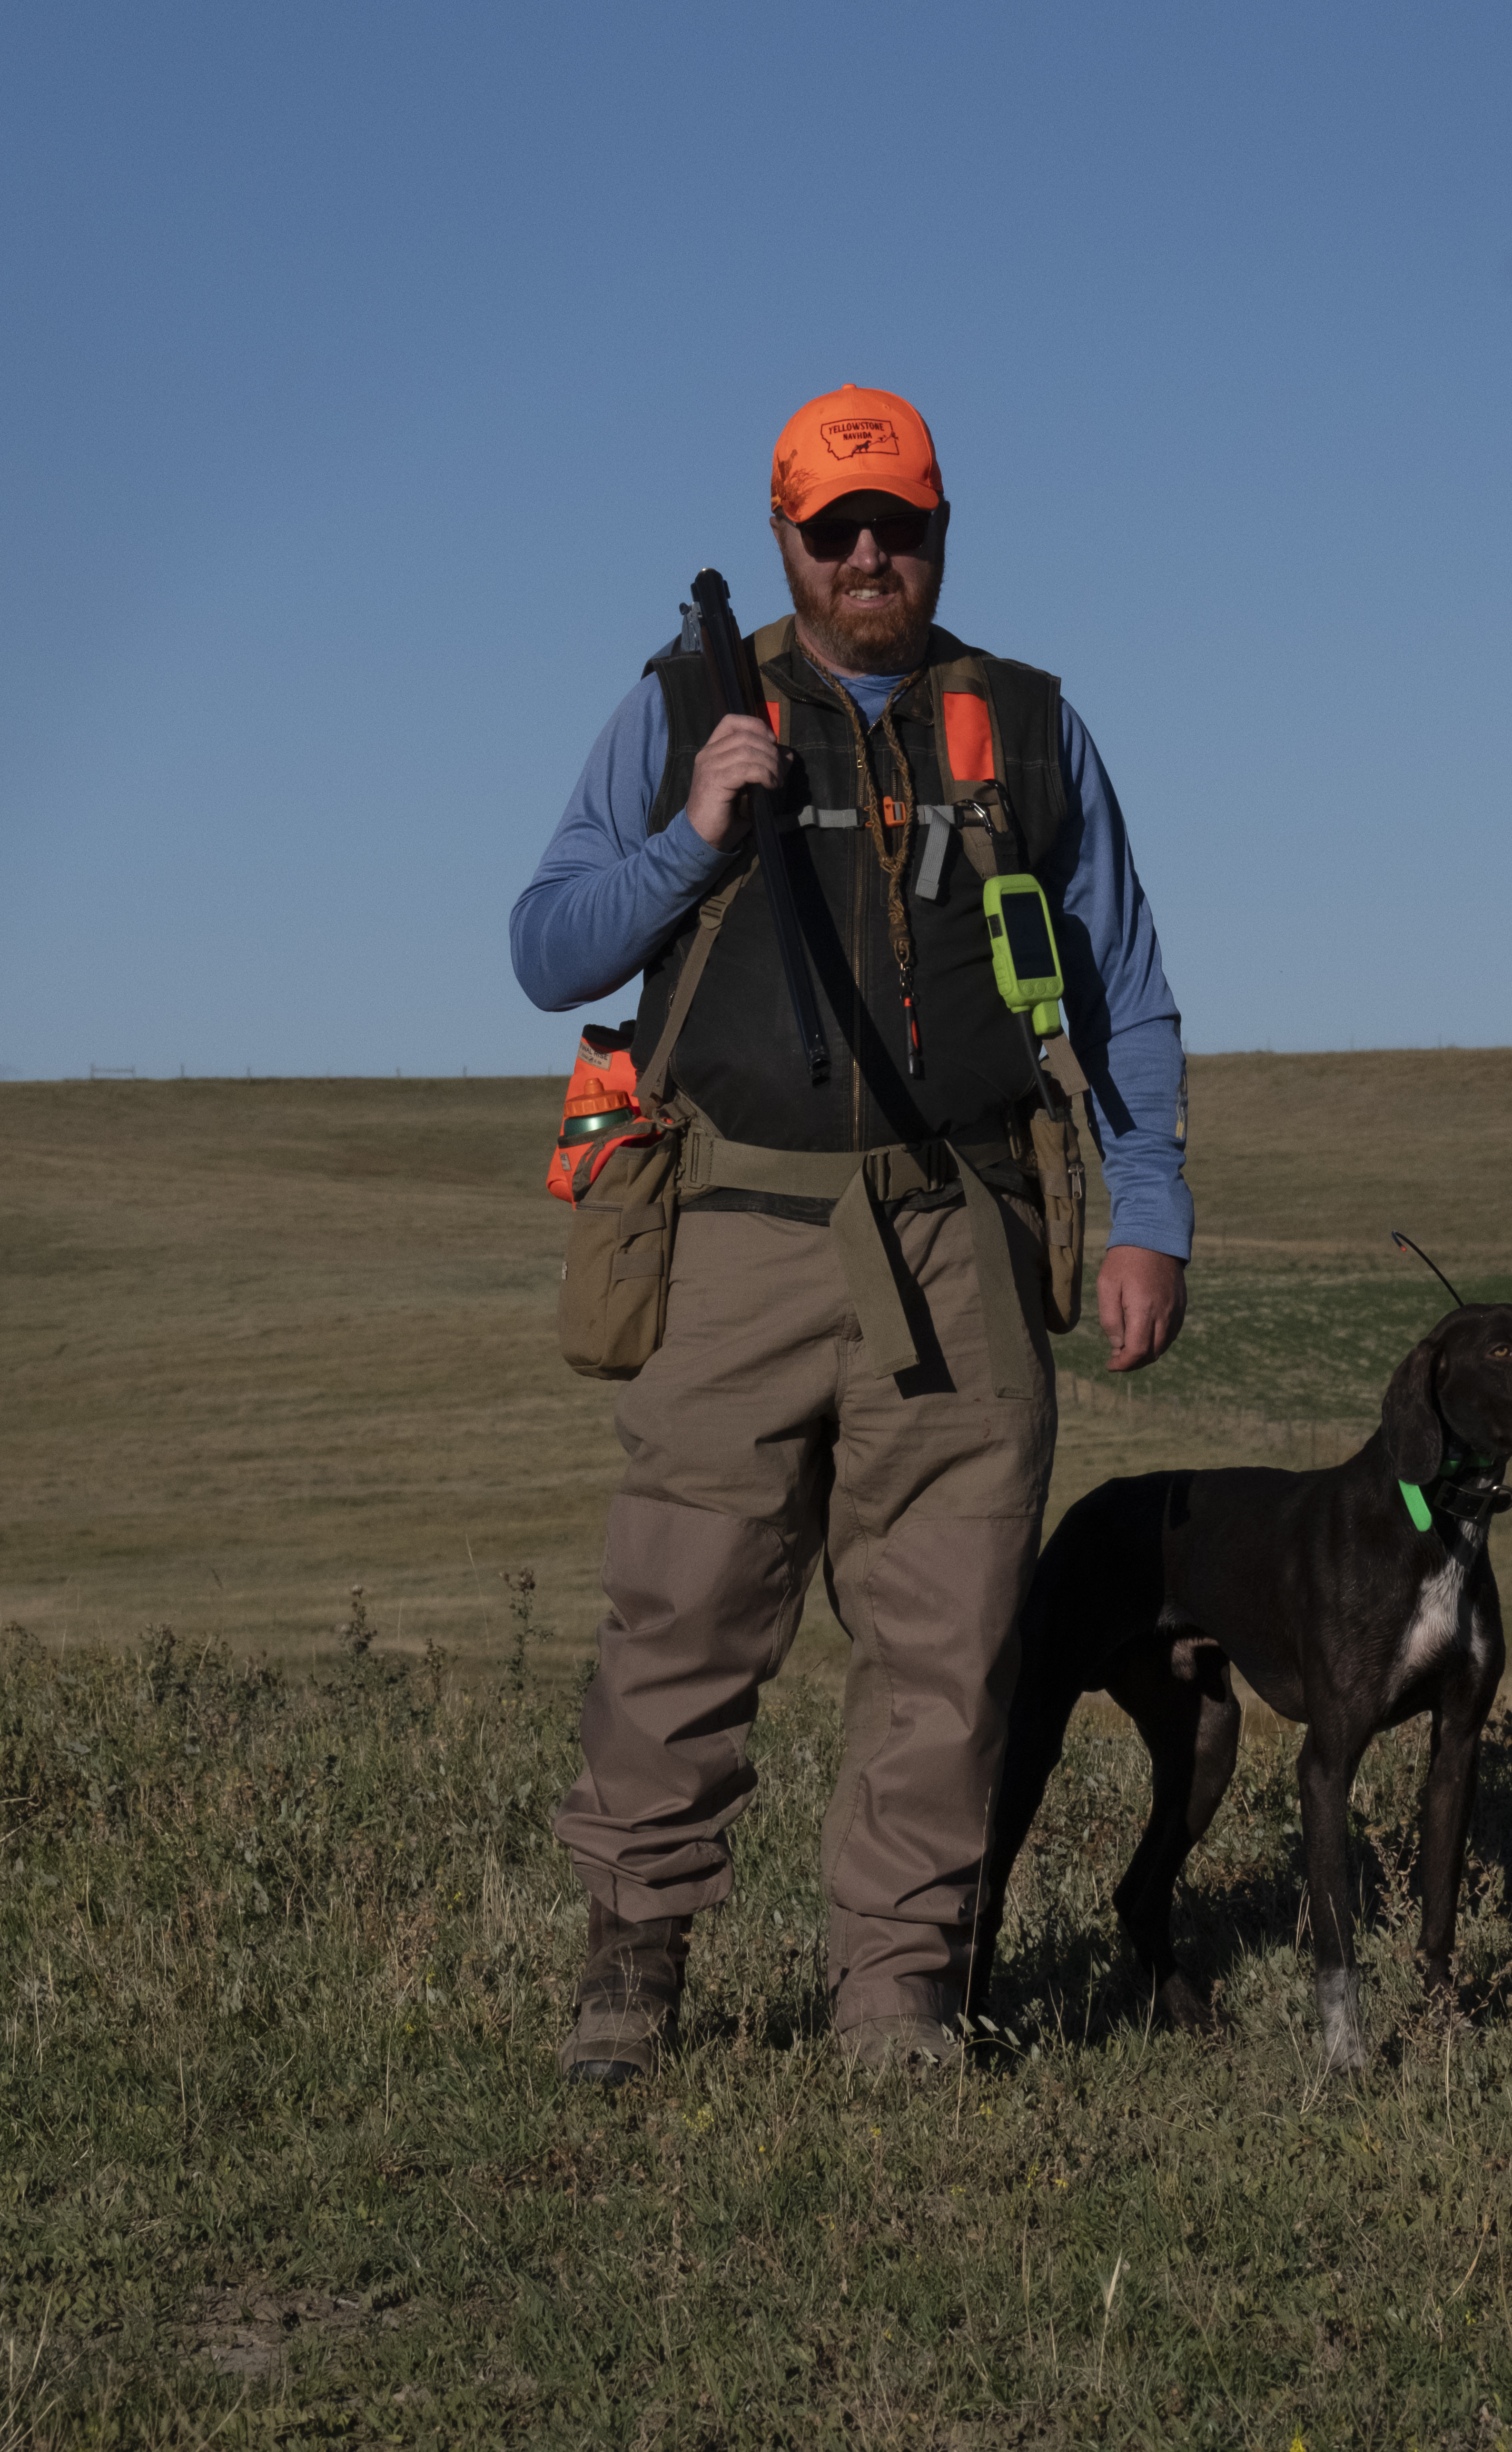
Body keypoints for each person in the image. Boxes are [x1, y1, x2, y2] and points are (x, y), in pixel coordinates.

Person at [509, 385, 1191, 2076]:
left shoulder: (1029, 727)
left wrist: (1151, 1213)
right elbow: (546, 948)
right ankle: (633, 1971)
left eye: (901, 523)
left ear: (944, 529)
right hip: (737, 1225)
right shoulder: (684, 706)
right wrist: (692, 836)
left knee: (952, 1639)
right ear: (787, 542)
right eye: (837, 529)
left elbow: (1128, 990)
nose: (871, 553)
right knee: (684, 1607)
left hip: (967, 1229)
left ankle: (900, 1996)